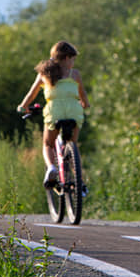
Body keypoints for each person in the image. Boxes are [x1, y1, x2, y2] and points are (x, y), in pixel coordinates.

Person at [18, 41, 90, 188]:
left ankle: (51, 167)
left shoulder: (44, 74)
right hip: (74, 111)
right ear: (65, 58)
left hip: (54, 112)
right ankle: (79, 180)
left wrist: (23, 107)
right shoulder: (75, 74)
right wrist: (85, 104)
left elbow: (31, 94)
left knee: (48, 144)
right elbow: (83, 95)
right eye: (72, 59)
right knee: (73, 146)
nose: (73, 62)